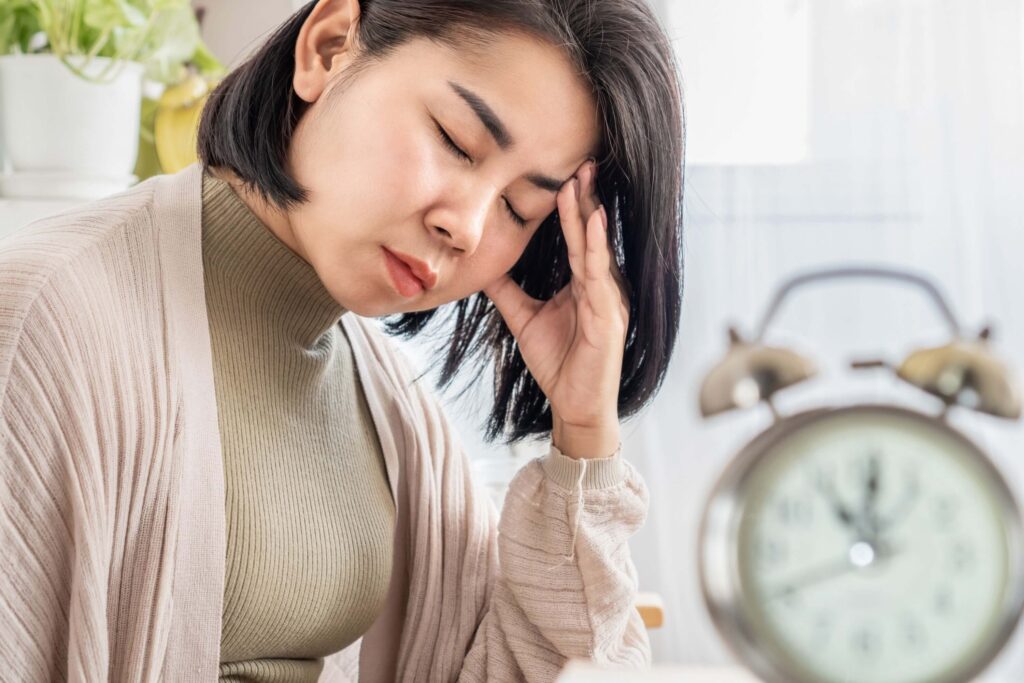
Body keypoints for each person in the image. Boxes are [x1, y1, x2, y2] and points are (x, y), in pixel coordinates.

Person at [0, 0, 684, 680]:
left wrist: (584, 427)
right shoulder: (41, 321)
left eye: (518, 208)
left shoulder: (396, 418)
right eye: (455, 139)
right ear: (327, 48)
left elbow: (548, 668)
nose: (470, 227)